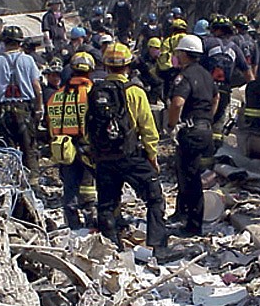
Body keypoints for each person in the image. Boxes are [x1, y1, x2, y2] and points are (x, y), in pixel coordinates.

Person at [87, 43, 171, 257]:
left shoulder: (95, 92)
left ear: (105, 66)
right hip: (131, 156)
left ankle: (111, 249)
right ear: (128, 66)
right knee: (154, 198)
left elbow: (88, 127)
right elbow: (147, 127)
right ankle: (158, 248)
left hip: (105, 158)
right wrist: (152, 155)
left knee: (106, 204)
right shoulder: (134, 91)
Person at [166, 35, 219, 236]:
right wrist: (207, 119)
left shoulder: (185, 76)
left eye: (179, 52)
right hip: (204, 129)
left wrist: (172, 125)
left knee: (190, 177)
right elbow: (217, 97)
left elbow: (177, 102)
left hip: (190, 130)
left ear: (184, 54)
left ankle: (193, 225)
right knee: (188, 172)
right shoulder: (206, 74)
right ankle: (182, 212)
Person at [0, 26, 43, 184]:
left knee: (7, 150)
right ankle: (32, 182)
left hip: (3, 111)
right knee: (28, 148)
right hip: (24, 109)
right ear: (20, 43)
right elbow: (36, 86)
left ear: (5, 42)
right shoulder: (28, 60)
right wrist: (39, 107)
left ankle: (10, 182)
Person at [46, 52, 96, 229]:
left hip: (63, 147)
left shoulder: (55, 96)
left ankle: (73, 224)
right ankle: (91, 221)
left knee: (69, 186)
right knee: (88, 186)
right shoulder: (91, 93)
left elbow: (50, 125)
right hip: (86, 147)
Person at [205, 15, 254, 147]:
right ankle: (215, 152)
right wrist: (252, 90)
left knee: (203, 120)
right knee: (219, 123)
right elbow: (247, 72)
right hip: (225, 90)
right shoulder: (234, 48)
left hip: (206, 89)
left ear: (215, 30)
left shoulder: (207, 43)